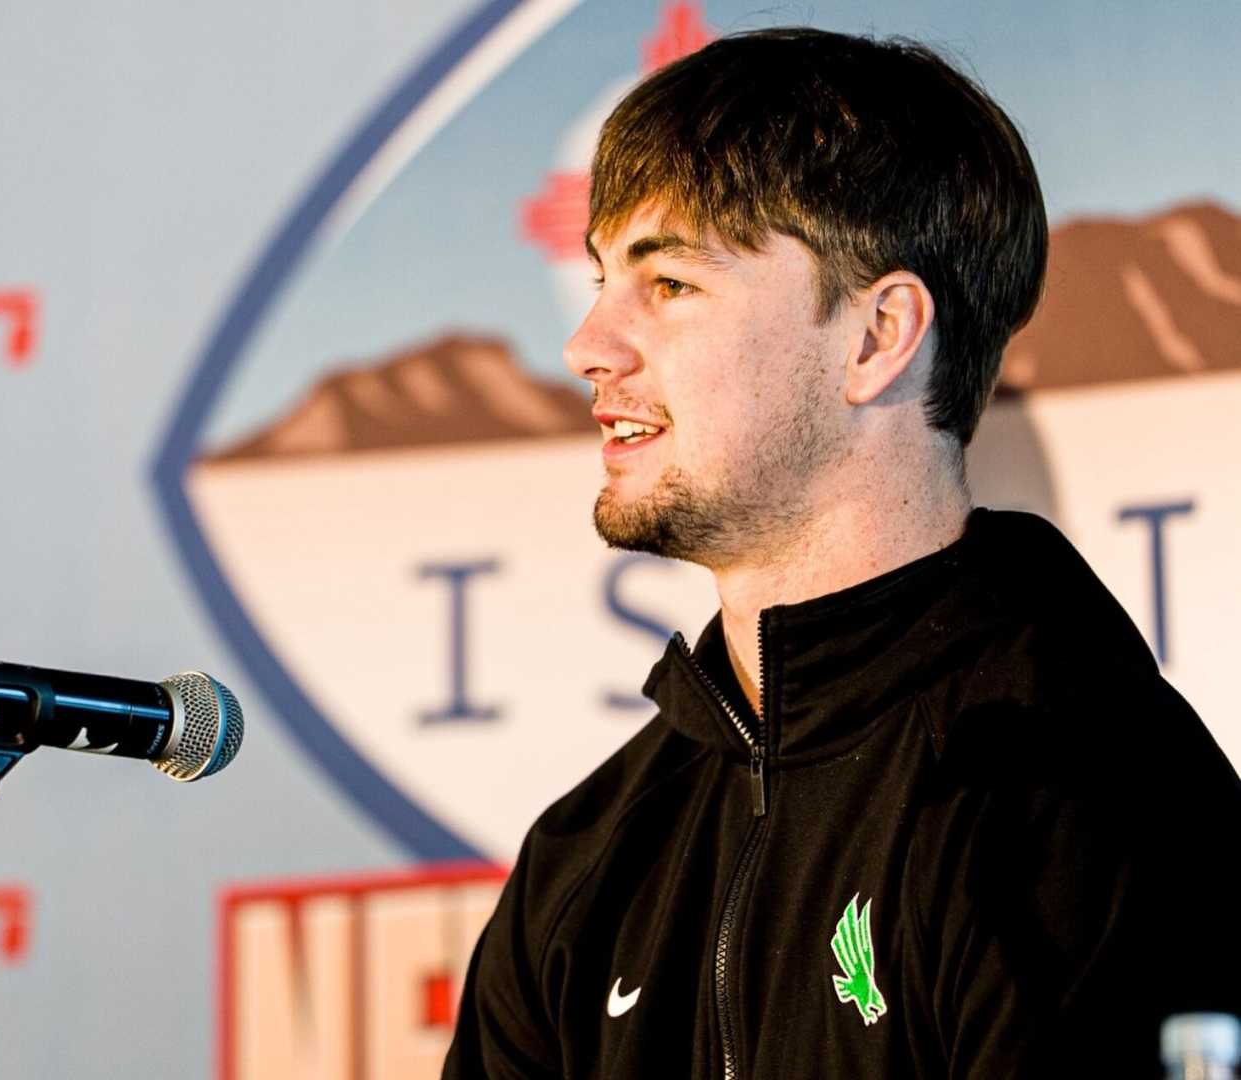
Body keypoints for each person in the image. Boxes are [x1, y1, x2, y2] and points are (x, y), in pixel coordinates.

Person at [442, 26, 1241, 1078]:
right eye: (600, 278)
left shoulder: (1074, 801)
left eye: (670, 283)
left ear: (875, 337)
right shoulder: (586, 858)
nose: (587, 344)